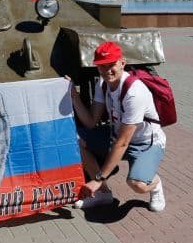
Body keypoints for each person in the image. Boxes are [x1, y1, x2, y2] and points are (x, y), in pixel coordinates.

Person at [69, 41, 167, 212]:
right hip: (116, 136)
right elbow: (91, 121)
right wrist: (73, 95)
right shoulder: (103, 83)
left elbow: (122, 143)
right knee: (74, 140)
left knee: (137, 184)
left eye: (111, 64)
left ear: (122, 63)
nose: (107, 70)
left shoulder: (134, 92)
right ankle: (103, 193)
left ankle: (156, 184)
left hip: (145, 143)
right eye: (102, 66)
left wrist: (98, 178)